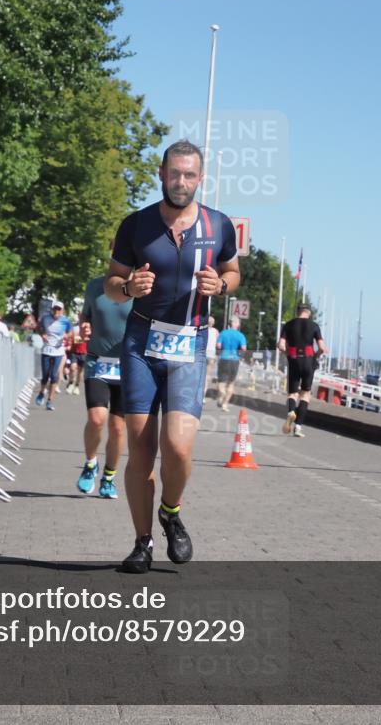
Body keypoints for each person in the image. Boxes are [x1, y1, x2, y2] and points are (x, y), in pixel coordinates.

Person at [105, 139, 240, 574]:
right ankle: (142, 542)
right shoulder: (135, 225)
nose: (180, 182)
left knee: (178, 447)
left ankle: (171, 512)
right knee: (141, 450)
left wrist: (220, 286)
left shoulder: (219, 226)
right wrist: (127, 289)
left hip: (190, 342)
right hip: (140, 344)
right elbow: (111, 282)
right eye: (173, 173)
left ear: (200, 179)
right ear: (160, 174)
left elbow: (232, 272)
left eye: (189, 175)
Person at [75, 276, 132, 498]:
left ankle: (108, 477)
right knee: (97, 419)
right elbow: (85, 315)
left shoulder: (142, 286)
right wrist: (83, 327)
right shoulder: (96, 286)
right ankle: (90, 464)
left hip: (128, 365)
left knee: (118, 428)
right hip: (98, 361)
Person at [278, 304, 326, 438]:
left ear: (297, 312)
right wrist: (315, 356)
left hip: (294, 359)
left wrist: (288, 352)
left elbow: (280, 345)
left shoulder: (288, 325)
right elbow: (322, 347)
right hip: (308, 361)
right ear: (309, 313)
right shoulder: (314, 326)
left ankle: (290, 412)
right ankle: (298, 427)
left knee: (292, 393)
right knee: (305, 394)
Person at [35, 301, 72, 411]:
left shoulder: (65, 321)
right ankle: (41, 392)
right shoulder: (45, 318)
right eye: (55, 309)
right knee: (45, 375)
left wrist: (66, 335)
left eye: (59, 309)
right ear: (52, 309)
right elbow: (38, 328)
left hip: (58, 352)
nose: (57, 311)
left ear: (62, 310)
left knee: (54, 376)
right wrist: (42, 334)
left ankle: (50, 401)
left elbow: (71, 333)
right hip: (46, 350)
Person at [215, 317, 247, 412]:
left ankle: (221, 396)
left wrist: (219, 353)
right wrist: (240, 355)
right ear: (238, 324)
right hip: (235, 360)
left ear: (229, 324)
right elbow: (244, 348)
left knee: (221, 382)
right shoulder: (241, 335)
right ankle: (225, 404)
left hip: (224, 358)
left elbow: (218, 346)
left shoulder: (223, 333)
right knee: (231, 383)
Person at [66, 317, 88, 395]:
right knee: (73, 368)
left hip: (84, 352)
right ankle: (71, 383)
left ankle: (77, 386)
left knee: (80, 371)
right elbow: (72, 338)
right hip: (74, 352)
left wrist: (80, 339)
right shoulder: (75, 328)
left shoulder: (89, 328)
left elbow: (88, 338)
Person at [204, 316, 219, 402]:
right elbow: (218, 344)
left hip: (202, 353)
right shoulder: (216, 331)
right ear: (213, 323)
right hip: (211, 354)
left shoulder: (203, 329)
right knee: (208, 375)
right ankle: (203, 394)